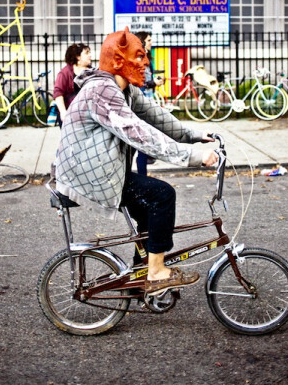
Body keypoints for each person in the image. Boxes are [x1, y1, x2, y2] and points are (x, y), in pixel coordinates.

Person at [55, 27, 218, 295]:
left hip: (100, 169)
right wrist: (193, 157)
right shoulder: (103, 91)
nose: (146, 63)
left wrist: (197, 136)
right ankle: (155, 273)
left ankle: (138, 276)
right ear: (119, 61)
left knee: (148, 212)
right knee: (161, 195)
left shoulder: (126, 89)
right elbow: (141, 135)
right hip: (87, 174)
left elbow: (159, 118)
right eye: (139, 57)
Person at [134, 31, 164, 175]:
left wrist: (154, 82)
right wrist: (153, 83)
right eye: (149, 40)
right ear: (142, 42)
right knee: (141, 145)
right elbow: (140, 83)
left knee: (141, 145)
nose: (151, 42)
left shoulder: (146, 58)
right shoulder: (139, 60)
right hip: (141, 106)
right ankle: (141, 177)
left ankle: (141, 176)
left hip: (147, 103)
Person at [53, 43, 92, 124]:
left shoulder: (92, 71)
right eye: (86, 53)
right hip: (70, 115)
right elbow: (58, 93)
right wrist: (63, 112)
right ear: (78, 57)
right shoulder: (65, 73)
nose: (90, 55)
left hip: (88, 116)